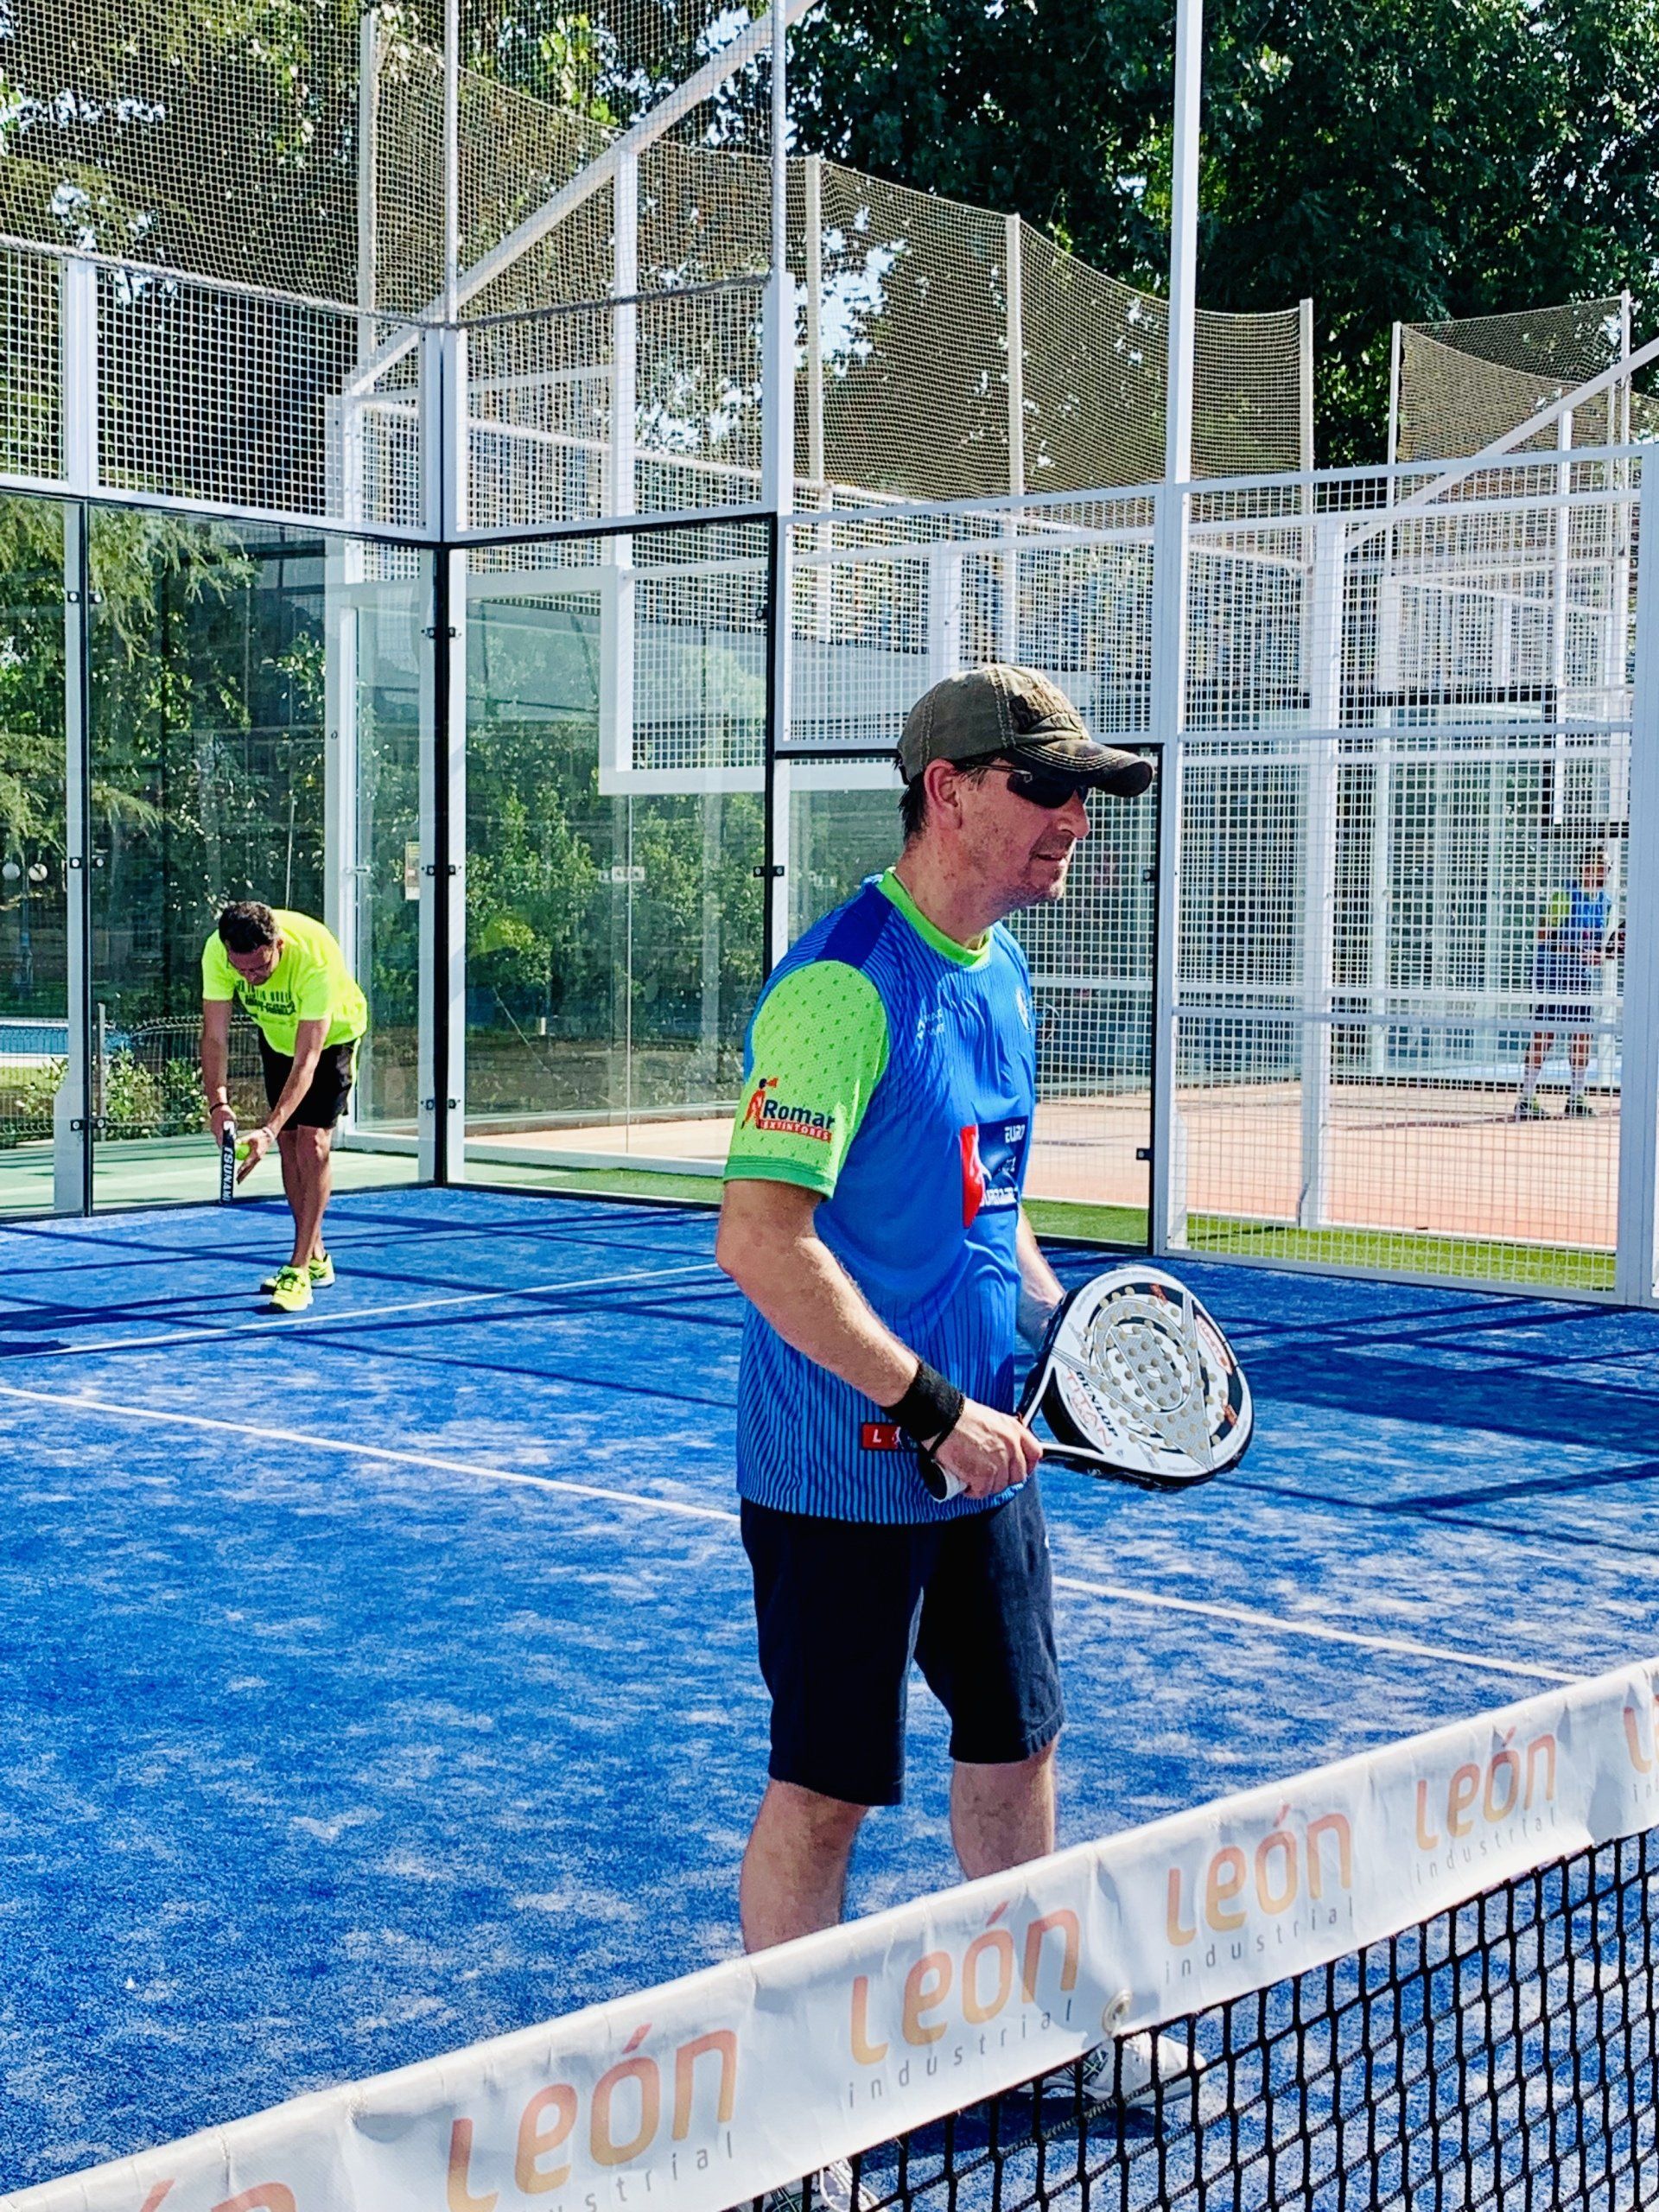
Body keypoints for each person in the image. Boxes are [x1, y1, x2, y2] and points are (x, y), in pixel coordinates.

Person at [716, 666, 1158, 2206]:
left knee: (1017, 1745)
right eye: (1048, 789)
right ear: (948, 791)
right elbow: (762, 1240)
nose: (1074, 820)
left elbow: (993, 1200)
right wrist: (927, 1408)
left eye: (1084, 794)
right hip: (843, 1471)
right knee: (828, 1789)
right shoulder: (842, 989)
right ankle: (791, 2116)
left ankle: (1048, 2030)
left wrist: (1057, 1334)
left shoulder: (1003, 968)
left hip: (984, 1454)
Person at [200, 901, 368, 1312]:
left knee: (312, 1143)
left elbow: (308, 1060)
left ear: (279, 945)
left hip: (331, 1039)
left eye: (259, 968)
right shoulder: (218, 952)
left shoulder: (315, 955)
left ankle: (298, 1269)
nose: (250, 979)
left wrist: (267, 1129)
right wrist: (217, 1104)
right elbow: (215, 1036)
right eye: (240, 970)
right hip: (276, 1038)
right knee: (290, 1145)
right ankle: (317, 1257)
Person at [1516, 848, 1616, 1121]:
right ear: (1585, 867)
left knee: (1583, 1033)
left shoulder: (1605, 903)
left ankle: (1576, 1098)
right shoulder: (1564, 897)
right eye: (1601, 864)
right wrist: (1575, 951)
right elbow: (1543, 936)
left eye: (1608, 866)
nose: (1606, 871)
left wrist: (1598, 955)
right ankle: (1526, 1098)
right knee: (1545, 1033)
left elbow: (1596, 944)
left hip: (1581, 978)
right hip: (1552, 976)